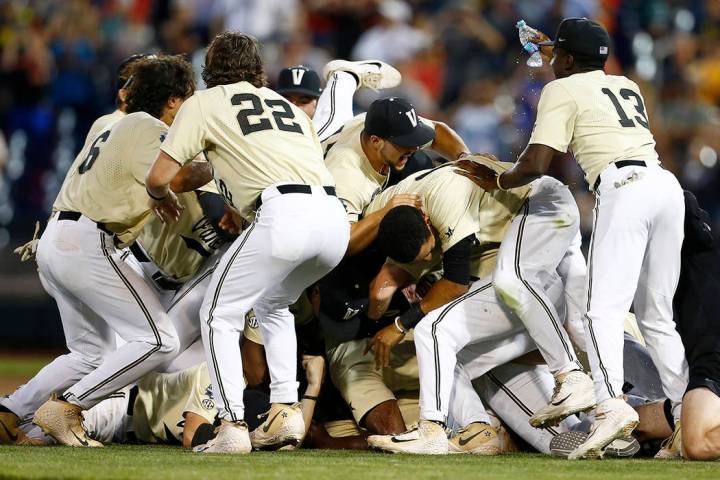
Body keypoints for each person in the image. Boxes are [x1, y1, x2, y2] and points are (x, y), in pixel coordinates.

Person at [455, 17, 689, 459]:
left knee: (602, 311)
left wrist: (502, 179)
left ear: (564, 58)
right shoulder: (625, 83)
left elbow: (538, 161)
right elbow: (583, 78)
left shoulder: (558, 89)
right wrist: (557, 52)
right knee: (658, 317)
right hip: (665, 186)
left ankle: (609, 406)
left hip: (624, 191)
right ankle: (682, 415)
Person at [144, 32, 349, 455]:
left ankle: (232, 422)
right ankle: (283, 411)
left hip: (282, 214)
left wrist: (160, 198)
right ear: (258, 69)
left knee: (217, 312)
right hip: (333, 220)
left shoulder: (203, 102)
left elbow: (159, 177)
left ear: (209, 68)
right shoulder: (287, 107)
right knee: (273, 305)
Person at [0, 56, 196, 448]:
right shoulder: (148, 125)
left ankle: (8, 410)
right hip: (90, 240)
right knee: (160, 340)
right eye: (185, 99)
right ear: (172, 101)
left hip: (58, 236)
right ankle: (68, 407)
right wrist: (220, 163)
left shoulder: (111, 123)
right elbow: (180, 175)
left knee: (91, 353)